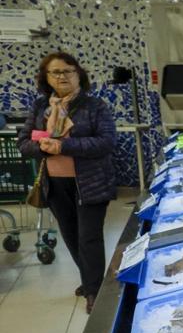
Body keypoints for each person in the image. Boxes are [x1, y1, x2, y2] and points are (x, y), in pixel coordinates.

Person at [18, 52, 117, 314]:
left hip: (91, 182)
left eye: (67, 71)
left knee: (89, 238)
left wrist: (65, 145)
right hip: (55, 184)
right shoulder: (41, 108)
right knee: (71, 236)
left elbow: (106, 142)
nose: (62, 77)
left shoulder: (95, 106)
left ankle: (95, 291)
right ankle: (89, 280)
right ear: (46, 78)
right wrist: (43, 146)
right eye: (55, 72)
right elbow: (24, 143)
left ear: (78, 74)